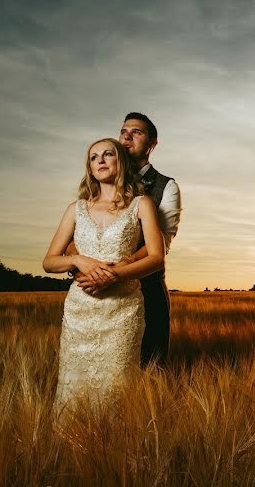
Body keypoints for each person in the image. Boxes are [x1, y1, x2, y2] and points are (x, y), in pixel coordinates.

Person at [43, 137, 165, 414]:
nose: (99, 160)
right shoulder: (75, 209)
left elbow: (157, 258)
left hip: (122, 310)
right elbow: (49, 262)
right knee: (75, 388)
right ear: (89, 167)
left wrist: (114, 275)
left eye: (107, 154)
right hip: (80, 311)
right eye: (93, 156)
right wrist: (77, 260)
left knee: (118, 387)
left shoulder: (141, 204)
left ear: (120, 161)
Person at [73, 113, 181, 367]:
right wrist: (86, 265)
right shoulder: (99, 180)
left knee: (148, 368)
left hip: (145, 288)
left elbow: (163, 241)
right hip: (92, 289)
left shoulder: (166, 186)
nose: (127, 136)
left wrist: (121, 268)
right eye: (123, 131)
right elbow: (77, 230)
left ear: (153, 143)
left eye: (137, 132)